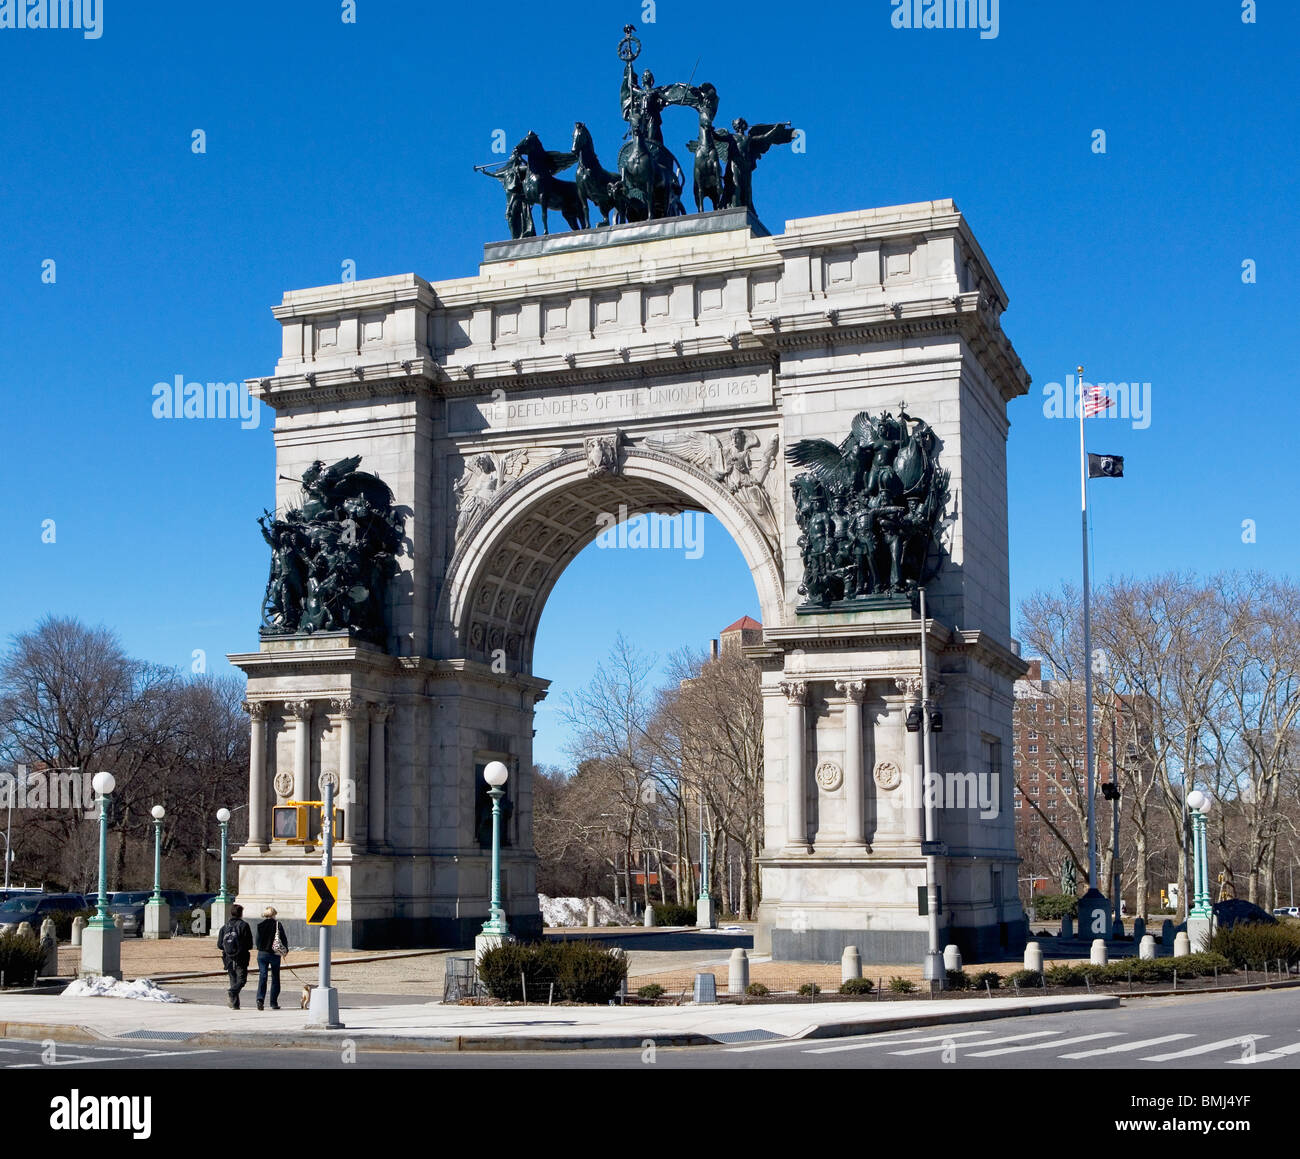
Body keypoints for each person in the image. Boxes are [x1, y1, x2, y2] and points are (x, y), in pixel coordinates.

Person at [217, 903, 254, 1009]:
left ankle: (235, 1004)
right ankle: (232, 992)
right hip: (241, 957)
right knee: (242, 980)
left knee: (233, 980)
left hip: (228, 957)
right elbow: (249, 944)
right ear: (241, 913)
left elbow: (219, 945)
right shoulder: (244, 925)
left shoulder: (224, 927)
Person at [255, 905, 289, 1011]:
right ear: (274, 914)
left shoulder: (260, 925)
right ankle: (273, 1002)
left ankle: (260, 999)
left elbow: (257, 942)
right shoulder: (278, 925)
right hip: (274, 954)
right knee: (275, 978)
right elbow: (283, 939)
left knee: (263, 976)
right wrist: (285, 951)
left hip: (262, 954)